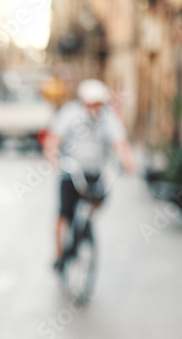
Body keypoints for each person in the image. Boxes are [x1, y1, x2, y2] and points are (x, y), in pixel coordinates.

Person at [44, 79, 136, 270]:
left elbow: (120, 143)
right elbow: (54, 140)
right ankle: (60, 255)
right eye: (91, 104)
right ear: (83, 102)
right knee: (63, 213)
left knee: (101, 197)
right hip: (72, 171)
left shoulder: (107, 118)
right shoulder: (70, 113)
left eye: (98, 104)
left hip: (95, 172)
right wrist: (52, 154)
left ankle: (85, 222)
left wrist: (129, 164)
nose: (95, 108)